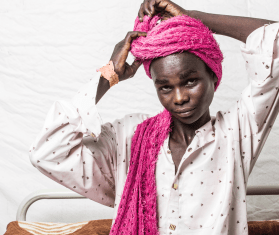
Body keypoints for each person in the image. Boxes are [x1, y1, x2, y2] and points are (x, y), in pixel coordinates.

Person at [29, 0, 279, 234]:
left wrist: (196, 20)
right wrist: (108, 76)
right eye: (165, 87)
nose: (179, 97)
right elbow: (48, 153)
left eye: (190, 81)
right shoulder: (128, 138)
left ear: (213, 76)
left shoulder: (236, 131)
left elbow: (275, 43)